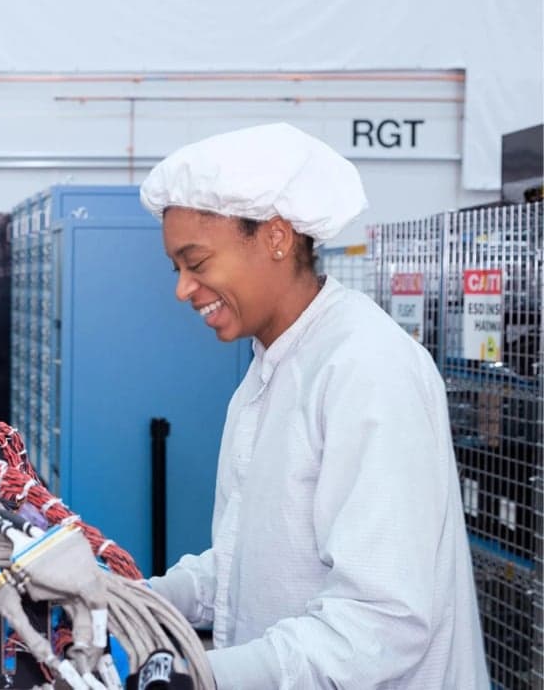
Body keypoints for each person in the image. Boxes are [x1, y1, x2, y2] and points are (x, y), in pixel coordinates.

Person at [139, 122, 489, 688]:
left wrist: (204, 678)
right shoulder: (269, 367)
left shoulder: (365, 367)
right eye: (176, 269)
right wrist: (141, 599)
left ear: (276, 238)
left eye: (197, 263)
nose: (183, 288)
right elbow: (248, 559)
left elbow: (383, 621)